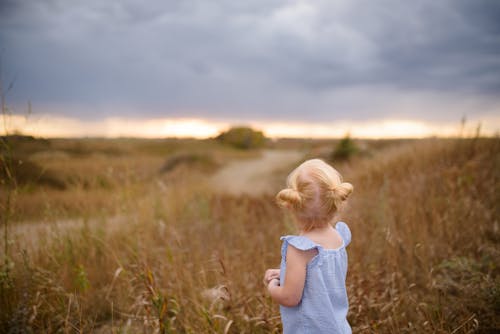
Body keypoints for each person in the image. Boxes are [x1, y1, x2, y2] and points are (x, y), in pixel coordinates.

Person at [263, 159, 353, 333]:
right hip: (337, 327)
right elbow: (319, 279)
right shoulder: (338, 237)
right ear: (335, 203)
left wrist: (272, 286)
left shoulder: (300, 248)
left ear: (291, 206)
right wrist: (284, 273)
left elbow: (290, 297)